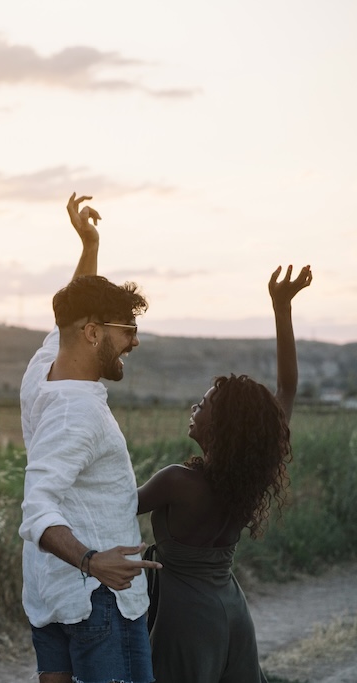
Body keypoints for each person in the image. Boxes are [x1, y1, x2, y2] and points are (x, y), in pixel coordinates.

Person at [137, 264, 313, 683]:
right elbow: (286, 390)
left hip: (187, 621)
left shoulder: (177, 481)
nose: (195, 408)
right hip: (232, 611)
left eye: (204, 404)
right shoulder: (249, 478)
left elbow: (110, 505)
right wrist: (282, 310)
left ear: (223, 426)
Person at [18, 193, 161, 683]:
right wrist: (92, 561)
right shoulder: (76, 412)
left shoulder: (43, 371)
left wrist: (89, 244)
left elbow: (74, 309)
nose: (135, 341)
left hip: (52, 595)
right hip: (100, 601)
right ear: (95, 333)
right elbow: (37, 507)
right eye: (129, 330)